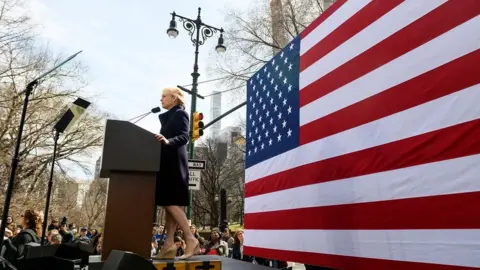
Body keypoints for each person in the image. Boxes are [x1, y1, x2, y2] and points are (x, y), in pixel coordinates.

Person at [153, 87, 199, 259]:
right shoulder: (167, 116)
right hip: (166, 163)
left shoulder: (180, 114)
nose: (161, 99)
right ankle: (169, 244)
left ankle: (190, 238)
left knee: (170, 202)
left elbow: (185, 136)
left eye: (164, 96)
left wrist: (167, 140)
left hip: (175, 163)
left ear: (174, 98)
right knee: (169, 204)